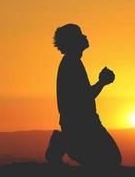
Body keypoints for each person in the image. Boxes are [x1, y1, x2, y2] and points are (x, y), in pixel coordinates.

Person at [45, 24, 122, 167]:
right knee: (111, 160)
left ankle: (65, 141)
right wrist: (102, 82)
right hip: (83, 126)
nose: (85, 37)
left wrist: (101, 83)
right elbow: (84, 98)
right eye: (80, 35)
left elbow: (84, 96)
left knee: (108, 159)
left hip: (84, 123)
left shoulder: (72, 63)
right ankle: (64, 143)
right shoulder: (71, 64)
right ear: (73, 41)